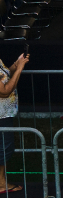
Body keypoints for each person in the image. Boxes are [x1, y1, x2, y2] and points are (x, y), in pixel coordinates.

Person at [0, 52, 29, 194]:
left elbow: (4, 75)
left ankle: (1, 182)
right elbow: (4, 91)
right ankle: (1, 183)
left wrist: (16, 64)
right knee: (4, 149)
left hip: (4, 114)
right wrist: (19, 69)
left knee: (4, 149)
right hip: (1, 115)